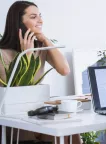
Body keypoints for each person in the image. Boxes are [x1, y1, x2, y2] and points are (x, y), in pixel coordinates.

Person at [0, 1, 75, 144]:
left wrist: (45, 39)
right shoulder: (2, 54)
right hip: (14, 119)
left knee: (69, 132)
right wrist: (26, 56)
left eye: (40, 16)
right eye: (33, 16)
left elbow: (65, 70)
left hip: (38, 114)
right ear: (18, 22)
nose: (40, 20)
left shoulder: (40, 49)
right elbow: (16, 94)